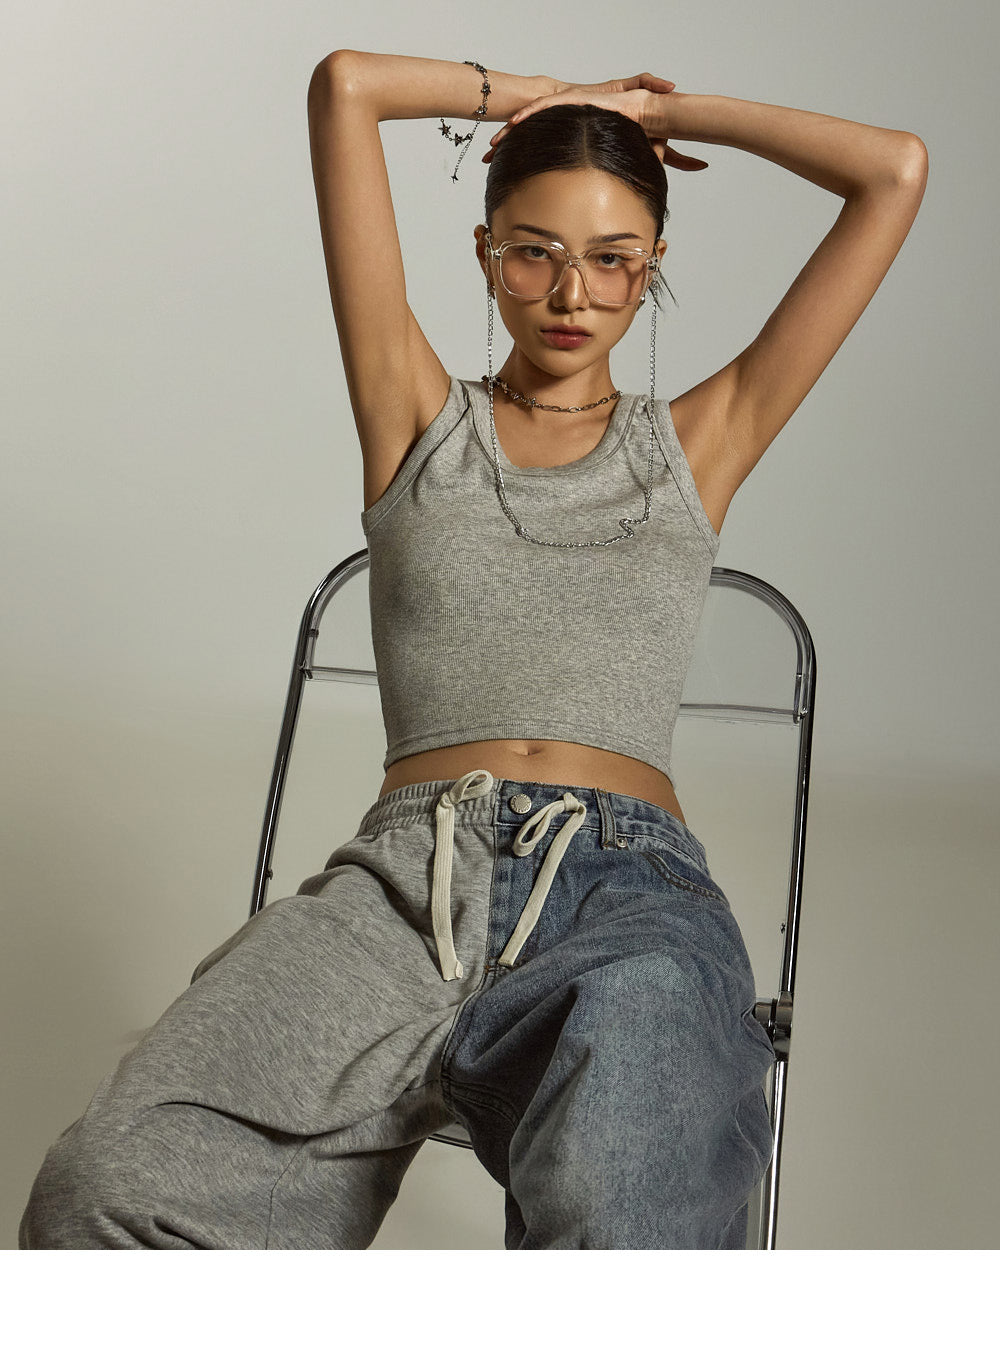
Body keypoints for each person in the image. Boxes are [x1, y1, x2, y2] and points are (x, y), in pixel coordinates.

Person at [19, 52, 927, 1250]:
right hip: (402, 891)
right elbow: (346, 88)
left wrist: (653, 114)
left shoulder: (699, 442)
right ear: (486, 253)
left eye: (613, 259)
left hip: (626, 901)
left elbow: (891, 173)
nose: (571, 292)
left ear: (652, 265)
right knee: (109, 1186)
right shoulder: (414, 416)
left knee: (622, 1217)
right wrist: (535, 98)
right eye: (533, 251)